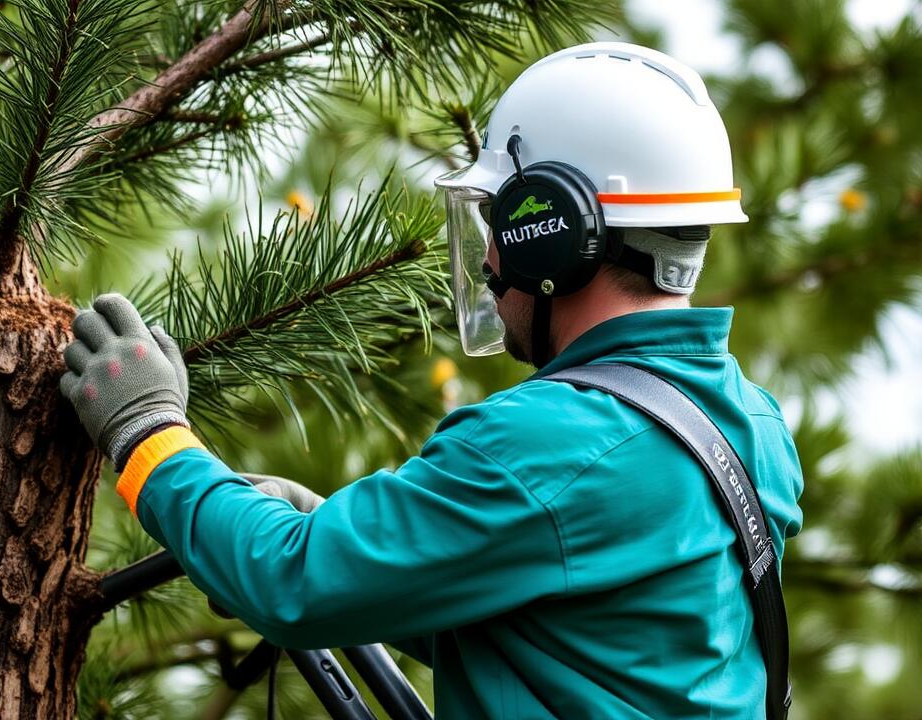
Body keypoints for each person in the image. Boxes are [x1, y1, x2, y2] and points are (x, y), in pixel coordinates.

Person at [60, 42, 803, 719]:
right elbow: (590, 648)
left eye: (494, 223)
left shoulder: (549, 444)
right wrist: (357, 547)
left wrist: (148, 432)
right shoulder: (752, 425)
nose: (486, 261)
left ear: (545, 232)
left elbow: (291, 585)